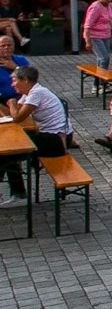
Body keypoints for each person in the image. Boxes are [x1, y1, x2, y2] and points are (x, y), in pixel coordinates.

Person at [2, 65, 73, 208]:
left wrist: (12, 103)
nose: (12, 84)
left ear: (26, 80)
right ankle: (19, 192)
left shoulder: (37, 93)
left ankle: (19, 193)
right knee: (8, 154)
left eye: (15, 81)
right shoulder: (29, 93)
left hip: (57, 141)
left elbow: (17, 118)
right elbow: (12, 114)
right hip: (48, 137)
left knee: (9, 153)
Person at [83, 0, 112, 70]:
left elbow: (111, 18)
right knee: (104, 58)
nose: (109, 0)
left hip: (106, 35)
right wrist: (88, 41)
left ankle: (97, 81)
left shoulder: (110, 5)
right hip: (95, 36)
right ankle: (102, 80)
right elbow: (87, 25)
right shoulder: (95, 7)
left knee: (101, 58)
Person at [0, 36, 27, 104]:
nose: (6, 47)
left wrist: (15, 67)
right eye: (3, 46)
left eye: (9, 45)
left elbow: (32, 79)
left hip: (21, 98)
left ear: (13, 46)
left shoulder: (21, 60)